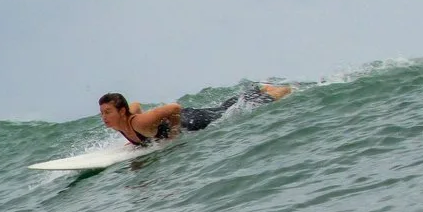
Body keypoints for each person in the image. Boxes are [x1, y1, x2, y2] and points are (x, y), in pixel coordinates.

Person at [98, 83, 292, 147]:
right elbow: (136, 105)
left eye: (108, 112)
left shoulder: (140, 123)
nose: (104, 117)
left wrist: (174, 133)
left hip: (191, 121)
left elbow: (174, 107)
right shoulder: (123, 123)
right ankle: (259, 88)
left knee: (227, 111)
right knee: (224, 107)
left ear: (121, 111)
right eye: (102, 113)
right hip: (189, 117)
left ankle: (284, 90)